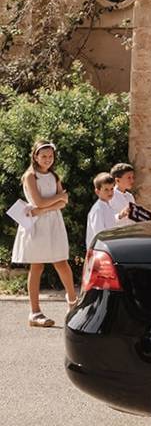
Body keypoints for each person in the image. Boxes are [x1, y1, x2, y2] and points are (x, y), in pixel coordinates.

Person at [12, 140, 77, 327]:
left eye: (50, 156)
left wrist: (45, 207)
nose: (48, 159)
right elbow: (40, 201)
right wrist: (56, 200)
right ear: (35, 156)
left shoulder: (54, 175)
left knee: (61, 262)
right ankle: (35, 312)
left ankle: (72, 304)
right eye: (44, 156)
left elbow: (62, 204)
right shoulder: (30, 176)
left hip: (53, 223)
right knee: (37, 266)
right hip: (37, 225)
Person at [86, 172, 117, 249]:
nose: (110, 192)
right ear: (97, 191)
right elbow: (99, 233)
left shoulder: (108, 206)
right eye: (106, 189)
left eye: (112, 189)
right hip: (99, 250)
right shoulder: (98, 209)